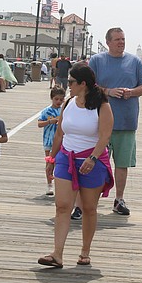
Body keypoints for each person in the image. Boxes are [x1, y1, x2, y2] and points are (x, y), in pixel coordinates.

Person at [39, 64, 114, 268]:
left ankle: (85, 251)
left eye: (71, 82)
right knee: (62, 206)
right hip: (66, 157)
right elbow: (59, 134)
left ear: (83, 84)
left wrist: (93, 158)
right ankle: (57, 254)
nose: (68, 85)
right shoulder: (69, 103)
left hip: (91, 161)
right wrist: (51, 159)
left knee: (89, 208)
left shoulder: (102, 106)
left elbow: (105, 136)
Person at [89, 28, 142, 216]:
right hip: (100, 123)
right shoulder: (97, 61)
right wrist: (108, 91)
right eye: (117, 39)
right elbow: (89, 86)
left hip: (127, 121)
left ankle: (119, 199)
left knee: (122, 164)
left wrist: (131, 92)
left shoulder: (135, 61)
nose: (121, 42)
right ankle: (90, 201)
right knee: (96, 162)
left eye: (123, 39)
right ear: (108, 42)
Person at [38, 87, 66, 196]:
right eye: (56, 99)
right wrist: (50, 121)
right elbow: (39, 123)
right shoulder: (47, 111)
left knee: (60, 163)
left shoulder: (64, 110)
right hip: (49, 140)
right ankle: (49, 184)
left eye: (61, 99)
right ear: (52, 98)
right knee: (49, 162)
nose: (58, 102)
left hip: (62, 141)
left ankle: (60, 184)